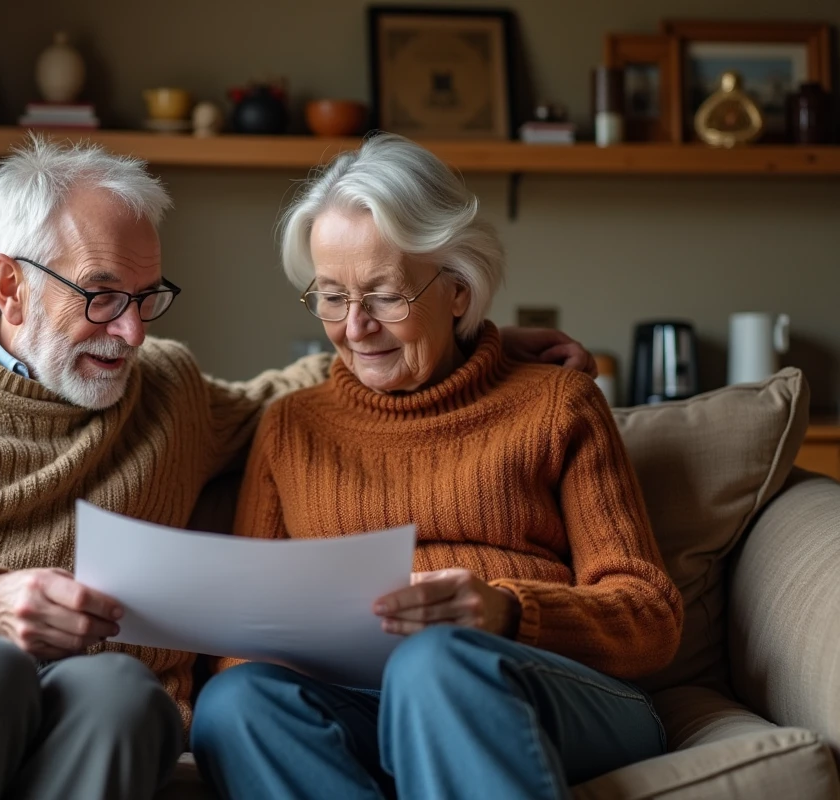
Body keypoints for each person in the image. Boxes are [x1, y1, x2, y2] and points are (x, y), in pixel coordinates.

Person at [0, 134, 598, 800]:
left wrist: (465, 334)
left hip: (62, 695)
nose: (131, 334)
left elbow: (309, 386)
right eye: (101, 296)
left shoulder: (166, 390)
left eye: (147, 298)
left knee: (126, 697)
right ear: (9, 285)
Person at [189, 134, 684, 800]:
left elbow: (650, 617)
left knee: (435, 662)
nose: (355, 327)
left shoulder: (557, 404)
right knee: (234, 703)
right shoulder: (291, 427)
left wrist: (506, 613)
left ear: (458, 290)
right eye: (332, 297)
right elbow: (245, 640)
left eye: (383, 295)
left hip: (544, 689)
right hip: (360, 701)